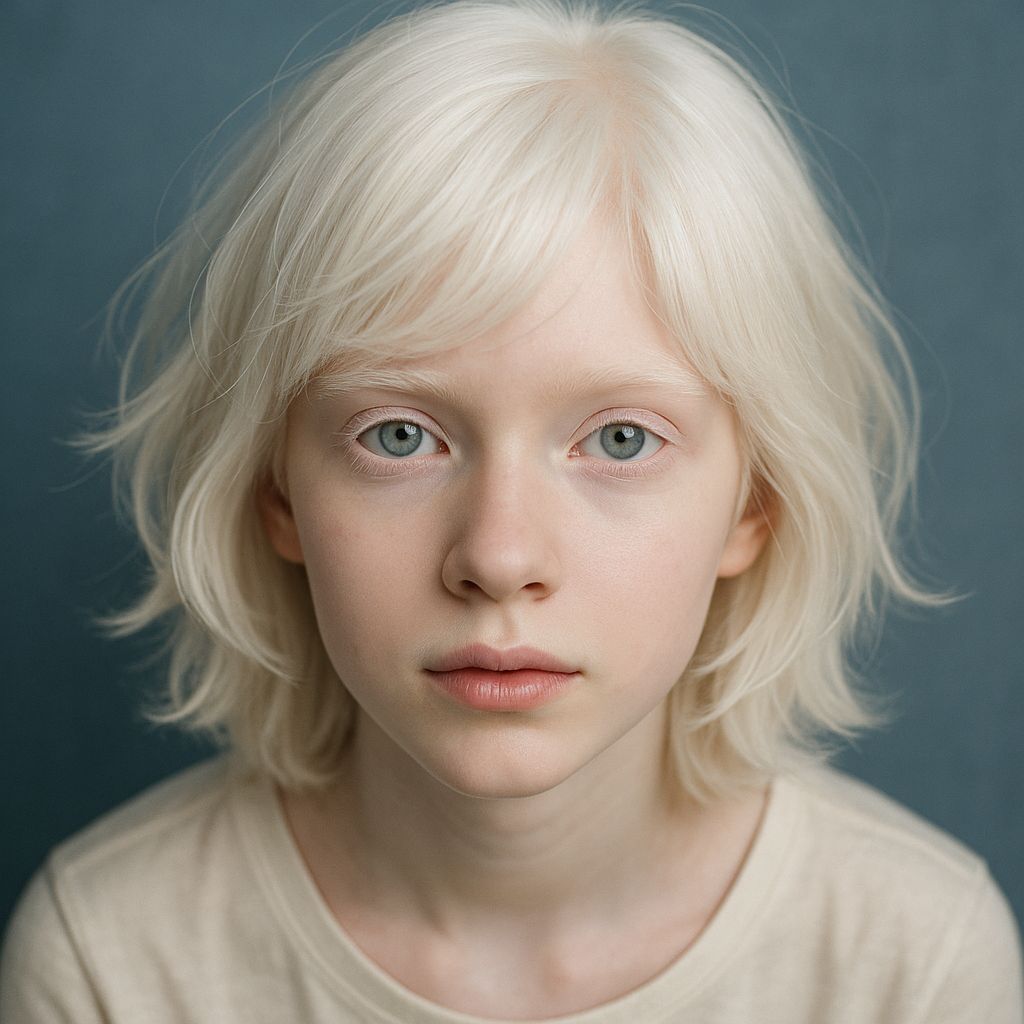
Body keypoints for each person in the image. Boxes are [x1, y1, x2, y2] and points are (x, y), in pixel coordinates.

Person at [2, 0, 1021, 1020]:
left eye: (620, 439)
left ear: (754, 503)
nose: (498, 555)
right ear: (276, 492)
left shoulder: (913, 962)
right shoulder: (110, 959)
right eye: (398, 435)